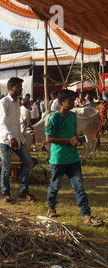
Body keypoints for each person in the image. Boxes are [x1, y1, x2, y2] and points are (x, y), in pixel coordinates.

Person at [45, 89, 104, 226]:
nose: (73, 103)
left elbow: (72, 134)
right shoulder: (55, 118)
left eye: (74, 100)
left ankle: (86, 215)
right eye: (70, 101)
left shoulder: (72, 116)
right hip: (58, 159)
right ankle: (51, 209)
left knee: (79, 188)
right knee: (54, 186)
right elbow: (49, 138)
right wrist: (68, 141)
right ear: (61, 102)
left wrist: (77, 140)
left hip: (73, 158)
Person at [0, 77, 35, 204]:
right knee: (6, 167)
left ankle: (23, 191)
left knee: (28, 163)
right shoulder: (3, 102)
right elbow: (3, 122)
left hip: (18, 138)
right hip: (6, 140)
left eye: (21, 87)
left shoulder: (18, 101)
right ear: (10, 88)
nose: (21, 89)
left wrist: (20, 136)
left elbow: (16, 121)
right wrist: (10, 137)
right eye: (18, 87)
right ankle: (6, 193)